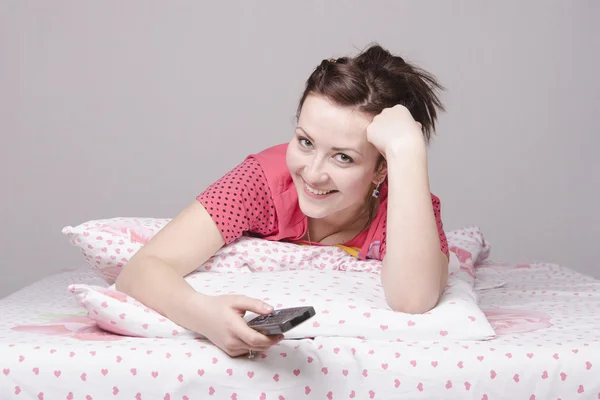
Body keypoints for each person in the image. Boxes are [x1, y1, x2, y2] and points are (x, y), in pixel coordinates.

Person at [115, 43, 450, 358]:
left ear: (382, 169)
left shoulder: (406, 200)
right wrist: (202, 315)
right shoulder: (260, 181)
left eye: (343, 158)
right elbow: (142, 269)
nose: (313, 173)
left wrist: (407, 150)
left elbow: (412, 299)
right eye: (305, 142)